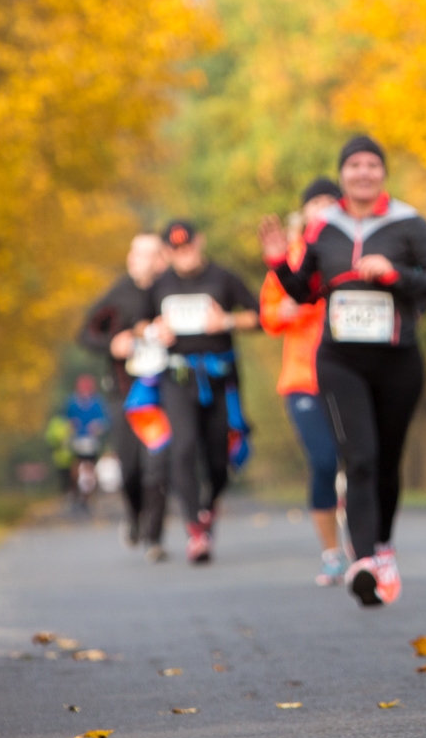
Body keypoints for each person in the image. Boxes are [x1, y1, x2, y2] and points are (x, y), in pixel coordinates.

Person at [257, 135, 426, 608]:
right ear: (343, 174)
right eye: (354, 166)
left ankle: (381, 546)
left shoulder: (407, 222)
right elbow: (304, 292)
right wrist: (275, 262)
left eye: (372, 165)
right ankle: (363, 561)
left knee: (387, 461)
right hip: (339, 360)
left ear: (382, 173)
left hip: (397, 359)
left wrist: (395, 276)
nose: (363, 173)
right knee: (360, 457)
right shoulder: (323, 226)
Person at [136, 220, 261, 565]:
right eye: (175, 248)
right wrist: (152, 330)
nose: (183, 253)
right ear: (166, 251)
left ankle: (208, 508)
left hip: (220, 378)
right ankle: (195, 528)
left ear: (200, 242)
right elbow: (139, 322)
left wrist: (229, 322)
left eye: (188, 245)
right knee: (183, 446)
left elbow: (261, 316)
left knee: (219, 458)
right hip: (176, 378)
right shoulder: (159, 285)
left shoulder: (223, 278)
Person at [260, 177, 347, 586]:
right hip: (303, 377)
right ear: (305, 211)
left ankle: (369, 550)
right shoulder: (291, 257)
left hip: (350, 374)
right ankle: (332, 552)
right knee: (324, 461)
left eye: (333, 201)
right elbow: (270, 315)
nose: (325, 208)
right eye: (317, 202)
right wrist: (293, 309)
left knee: (359, 461)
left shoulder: (353, 252)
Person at [78, 233, 171, 553]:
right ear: (132, 258)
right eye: (142, 253)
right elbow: (86, 335)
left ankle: (155, 537)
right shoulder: (117, 296)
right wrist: (113, 344)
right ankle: (134, 515)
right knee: (130, 468)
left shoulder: (169, 291)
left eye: (156, 253)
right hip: (123, 394)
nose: (150, 260)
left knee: (158, 463)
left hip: (164, 392)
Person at [62, 374, 109, 513]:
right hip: (77, 439)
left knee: (89, 469)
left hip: (91, 441)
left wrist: (98, 426)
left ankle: (86, 498)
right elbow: (65, 419)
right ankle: (74, 492)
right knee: (76, 467)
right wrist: (70, 426)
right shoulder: (72, 402)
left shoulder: (96, 402)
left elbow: (104, 421)